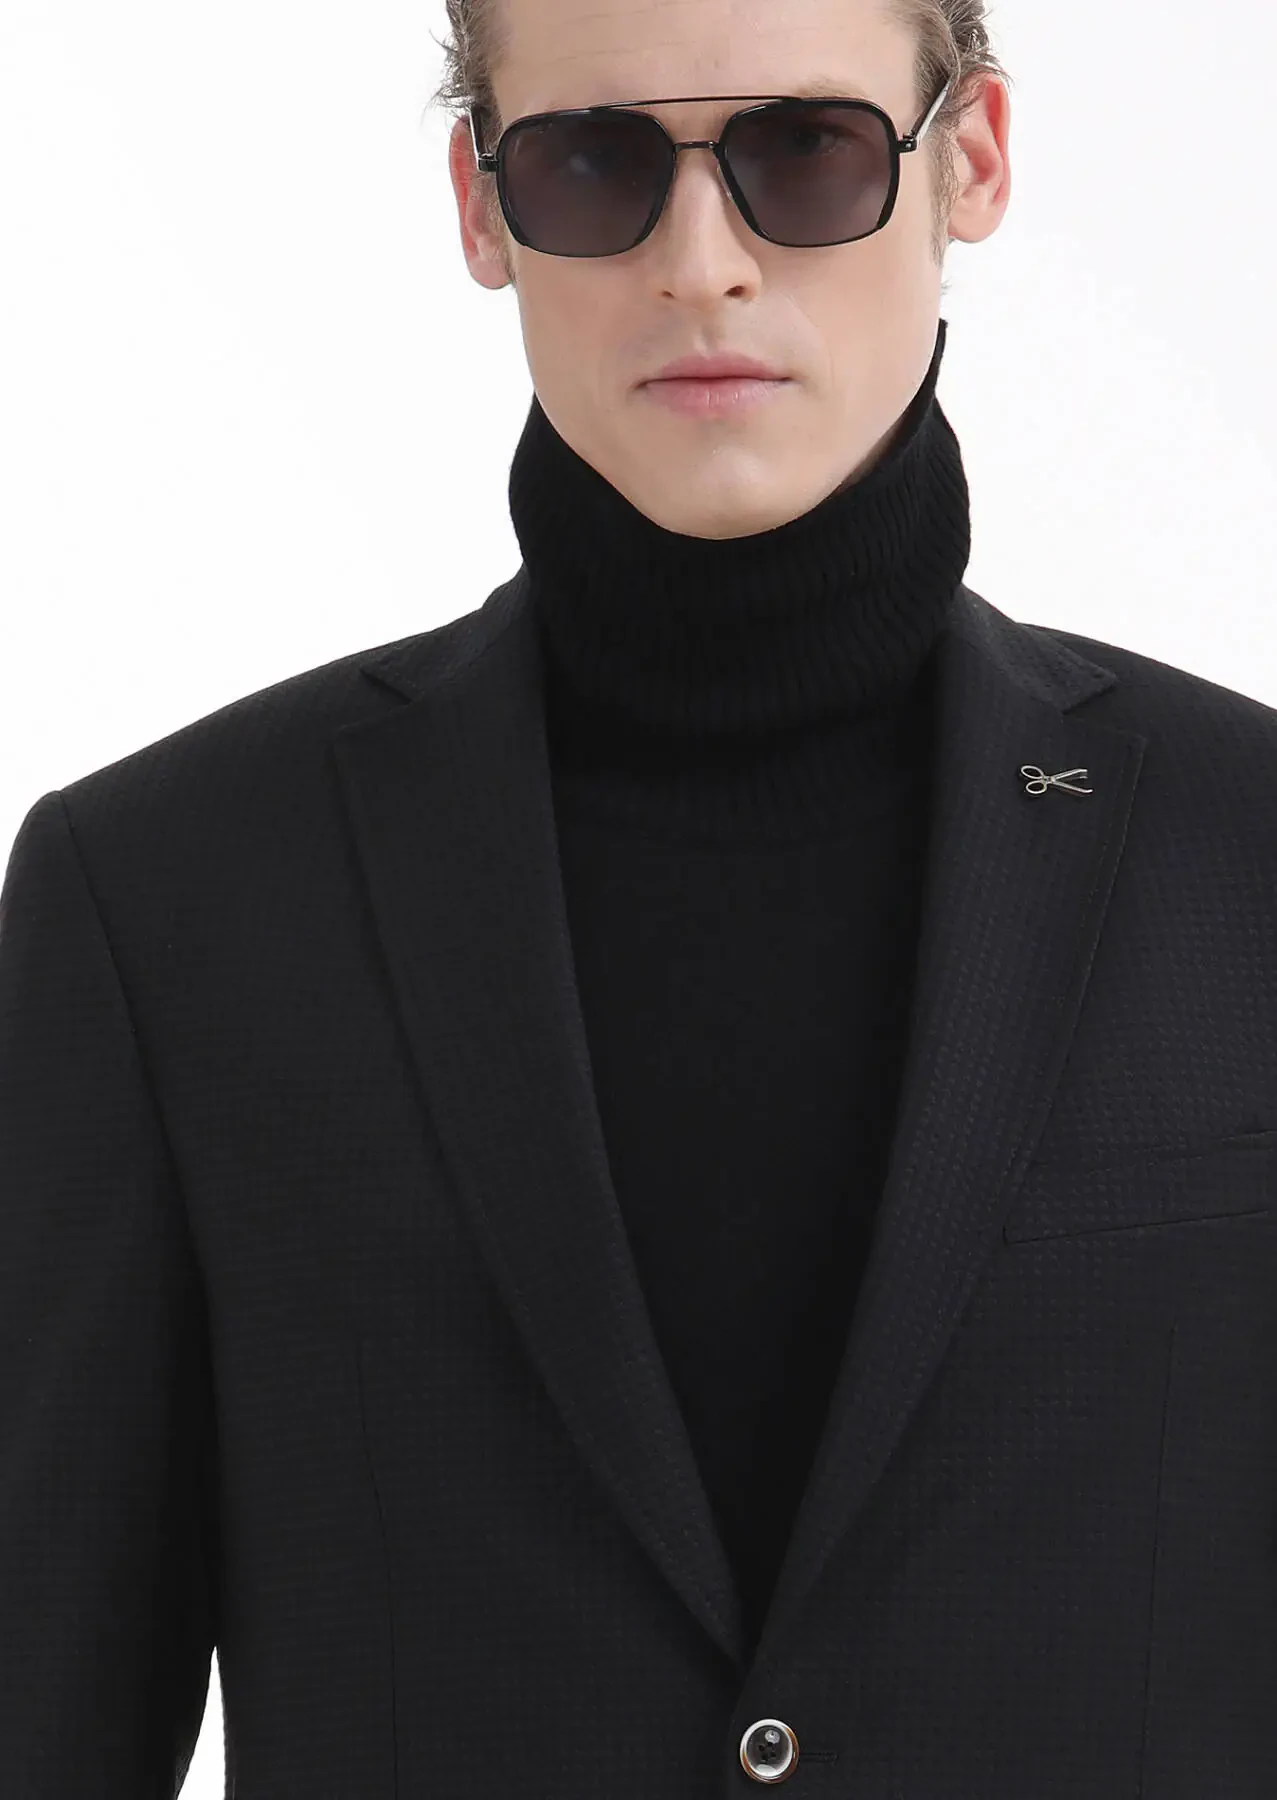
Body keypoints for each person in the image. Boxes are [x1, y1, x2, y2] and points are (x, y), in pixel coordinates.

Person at [3, 0, 1277, 1791]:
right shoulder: (166, 905)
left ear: (972, 161)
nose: (701, 265)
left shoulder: (1247, 861)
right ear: (480, 203)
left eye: (806, 154)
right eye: (595, 164)